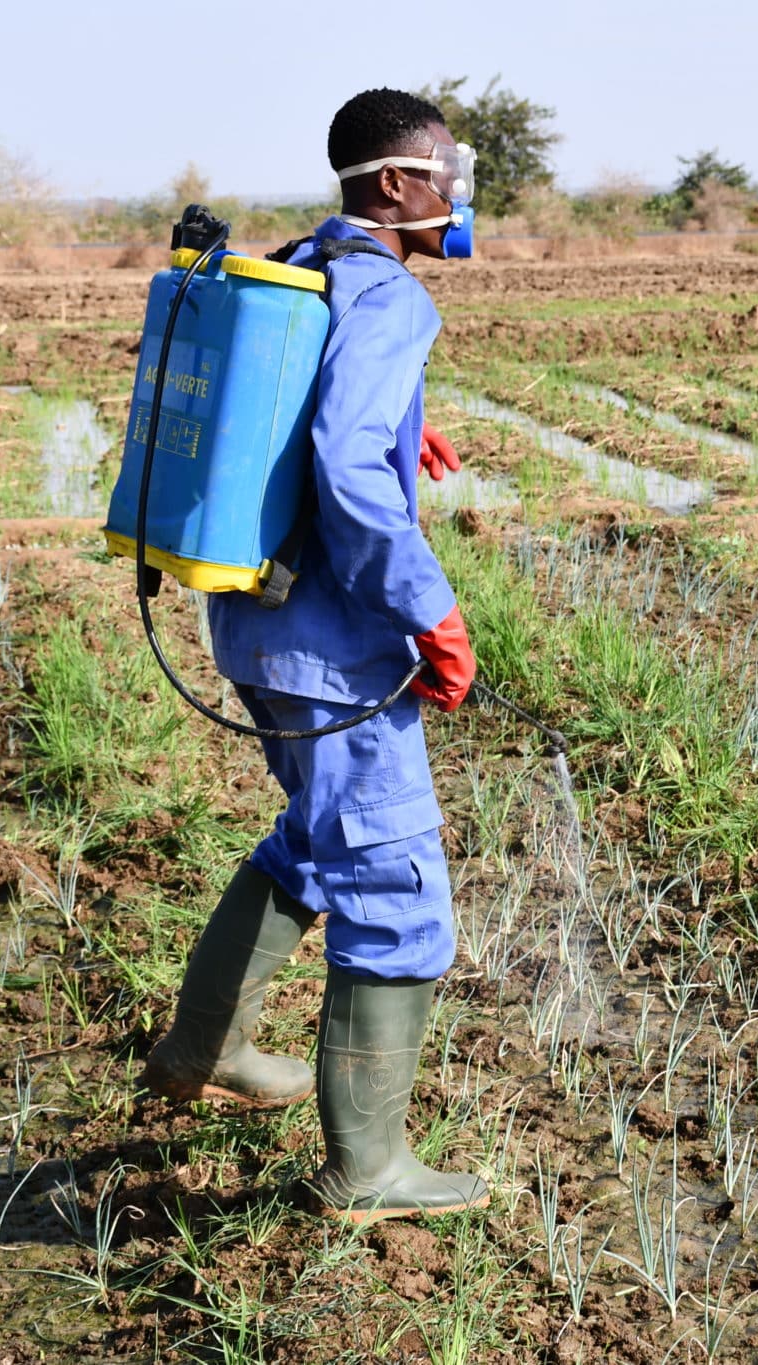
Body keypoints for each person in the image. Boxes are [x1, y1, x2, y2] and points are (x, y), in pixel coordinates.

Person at [139, 87, 485, 1223]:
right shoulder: (387, 291)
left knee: (313, 841)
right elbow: (342, 466)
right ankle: (367, 1171)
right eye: (444, 176)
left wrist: (401, 426)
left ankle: (205, 1050)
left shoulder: (301, 264)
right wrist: (430, 614)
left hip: (255, 628)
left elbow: (305, 417)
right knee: (390, 874)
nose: (455, 197)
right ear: (395, 183)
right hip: (331, 649)